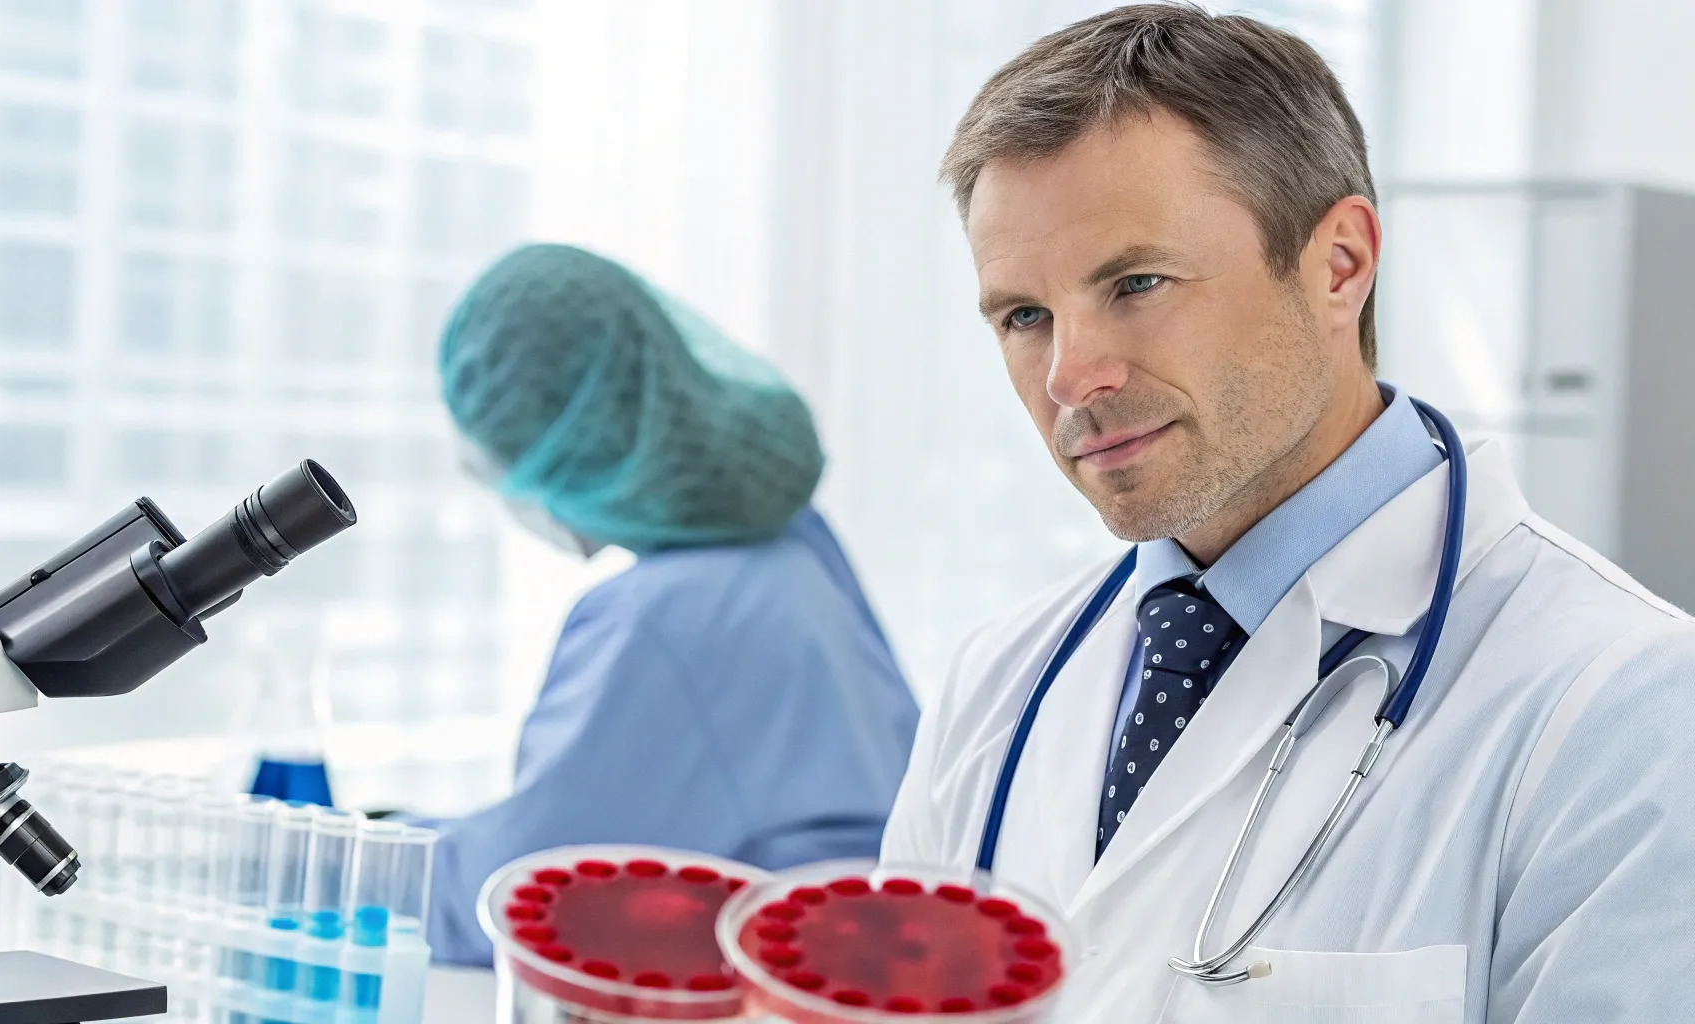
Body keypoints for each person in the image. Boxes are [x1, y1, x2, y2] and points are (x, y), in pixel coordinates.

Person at [882, 6, 1695, 1022]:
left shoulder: (1626, 707)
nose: (1070, 376)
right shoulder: (992, 688)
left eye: (1136, 283)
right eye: (1023, 315)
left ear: (1338, 264)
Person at [411, 242, 920, 965]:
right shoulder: (790, 542)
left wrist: (328, 859)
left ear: (572, 445)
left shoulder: (663, 617)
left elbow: (514, 895)